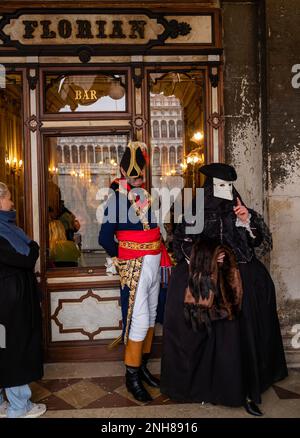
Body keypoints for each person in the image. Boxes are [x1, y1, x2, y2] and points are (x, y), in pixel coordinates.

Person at [160, 163, 288, 416]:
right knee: (207, 331)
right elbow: (182, 245)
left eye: (228, 186)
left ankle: (244, 387)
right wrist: (210, 256)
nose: (225, 191)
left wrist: (246, 221)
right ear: (210, 188)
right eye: (220, 186)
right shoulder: (195, 212)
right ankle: (206, 387)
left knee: (242, 332)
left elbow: (258, 242)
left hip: (241, 280)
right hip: (205, 280)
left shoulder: (240, 211)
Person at [99, 141, 172, 403]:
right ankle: (131, 375)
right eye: (134, 174)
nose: (138, 178)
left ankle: (142, 367)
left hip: (154, 262)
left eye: (140, 174)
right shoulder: (115, 200)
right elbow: (105, 238)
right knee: (139, 319)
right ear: (122, 171)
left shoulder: (144, 196)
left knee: (151, 316)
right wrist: (123, 256)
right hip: (136, 265)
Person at [0, 182, 46, 418]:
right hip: (9, 303)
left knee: (2, 348)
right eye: (8, 198)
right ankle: (20, 407)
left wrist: (32, 248)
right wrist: (34, 247)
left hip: (8, 300)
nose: (12, 203)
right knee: (14, 349)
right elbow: (27, 257)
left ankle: (2, 403)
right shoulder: (3, 232)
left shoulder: (8, 229)